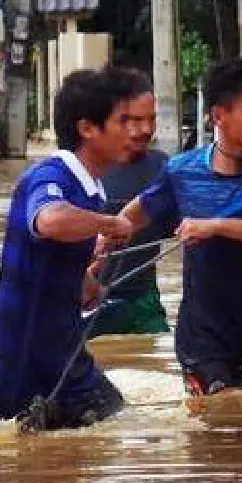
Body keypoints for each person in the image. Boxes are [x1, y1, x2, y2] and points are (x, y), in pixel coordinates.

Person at [0, 67, 148, 439]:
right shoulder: (52, 176)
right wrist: (108, 224)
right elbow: (48, 221)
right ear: (87, 129)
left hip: (64, 355)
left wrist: (87, 281)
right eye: (124, 121)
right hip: (19, 357)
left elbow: (59, 260)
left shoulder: (92, 188)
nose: (138, 132)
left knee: (110, 431)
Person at [113, 57, 242, 399]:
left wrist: (218, 226)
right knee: (227, 410)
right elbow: (135, 214)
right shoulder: (181, 171)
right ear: (219, 116)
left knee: (232, 435)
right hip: (200, 338)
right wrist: (100, 246)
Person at [83, 71, 171, 337]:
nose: (145, 130)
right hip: (87, 298)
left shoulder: (164, 167)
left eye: (151, 120)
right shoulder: (79, 169)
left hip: (142, 302)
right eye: (134, 120)